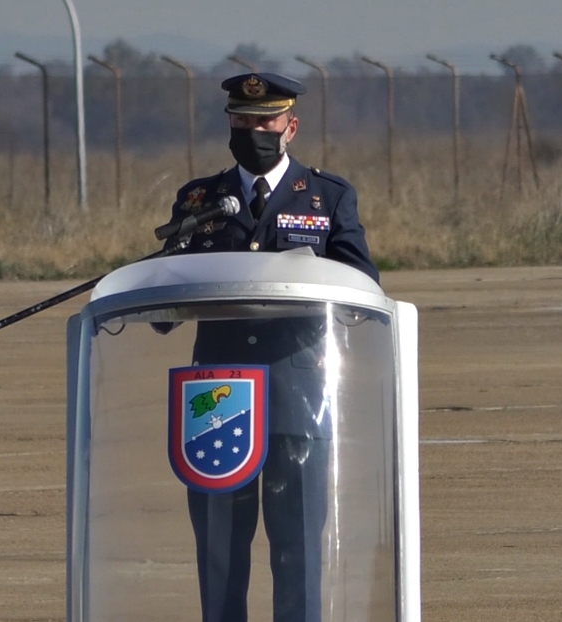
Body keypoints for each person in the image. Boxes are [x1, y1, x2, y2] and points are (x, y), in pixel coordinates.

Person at [158, 72, 378, 622]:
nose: (253, 130)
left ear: (290, 127)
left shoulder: (328, 196)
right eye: (242, 120)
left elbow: (362, 287)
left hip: (297, 396)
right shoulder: (201, 199)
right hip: (218, 398)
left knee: (297, 549)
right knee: (220, 552)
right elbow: (166, 291)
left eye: (265, 121)